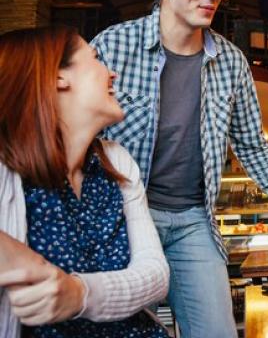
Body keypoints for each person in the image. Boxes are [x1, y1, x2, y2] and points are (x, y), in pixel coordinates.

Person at [90, 0, 268, 336]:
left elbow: (253, 148)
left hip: (193, 221)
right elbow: (78, 132)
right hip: (125, 218)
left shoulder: (231, 61)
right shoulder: (112, 46)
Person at [0, 26, 169, 337]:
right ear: (57, 77)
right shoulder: (6, 170)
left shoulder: (117, 161)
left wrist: (79, 294)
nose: (113, 74)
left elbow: (156, 277)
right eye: (95, 59)